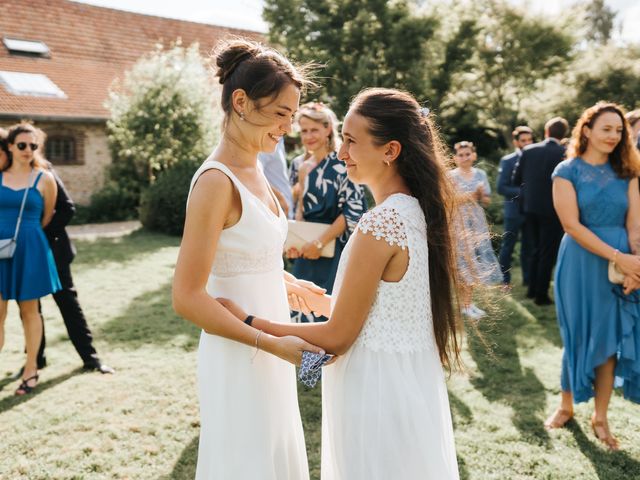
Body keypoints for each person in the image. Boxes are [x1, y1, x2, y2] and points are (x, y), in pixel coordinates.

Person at [220, 88, 462, 479]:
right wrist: (315, 299)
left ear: (390, 150)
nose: (341, 152)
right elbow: (382, 310)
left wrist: (249, 322)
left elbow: (338, 336)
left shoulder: (380, 224)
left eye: (351, 141)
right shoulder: (415, 212)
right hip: (406, 384)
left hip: (375, 392)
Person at [172, 39, 326, 480]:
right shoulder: (215, 182)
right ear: (241, 102)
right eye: (280, 113)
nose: (288, 127)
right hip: (240, 350)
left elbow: (243, 256)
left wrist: (289, 284)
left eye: (292, 116)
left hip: (272, 343)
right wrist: (273, 343)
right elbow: (186, 296)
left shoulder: (255, 167)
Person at [544, 103, 640, 450]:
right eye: (606, 129)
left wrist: (636, 266)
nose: (614, 136)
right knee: (576, 333)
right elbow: (571, 224)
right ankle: (565, 405)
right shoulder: (566, 171)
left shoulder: (628, 173)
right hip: (581, 261)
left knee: (610, 339)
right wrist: (620, 257)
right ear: (586, 130)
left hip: (622, 265)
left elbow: (635, 224)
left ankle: (601, 417)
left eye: (619, 131)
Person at [287, 102, 366, 321]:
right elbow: (299, 210)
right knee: (299, 310)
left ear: (328, 129)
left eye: (314, 129)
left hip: (335, 249)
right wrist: (295, 241)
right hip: (307, 250)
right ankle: (303, 356)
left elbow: (351, 211)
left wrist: (319, 243)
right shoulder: (298, 165)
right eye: (303, 131)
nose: (308, 136)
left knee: (329, 311)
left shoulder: (343, 164)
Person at [0, 122, 60, 395]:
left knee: (29, 311)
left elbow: (48, 215)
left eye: (33, 145)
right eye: (22, 145)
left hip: (30, 248)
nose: (27, 150)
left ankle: (31, 368)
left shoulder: (44, 178)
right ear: (10, 146)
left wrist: (26, 233)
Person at [513, 117, 569, 305]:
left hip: (530, 207)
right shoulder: (565, 152)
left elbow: (516, 179)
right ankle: (541, 295)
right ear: (564, 135)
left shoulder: (528, 151)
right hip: (552, 209)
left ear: (546, 132)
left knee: (535, 249)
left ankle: (531, 289)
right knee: (547, 252)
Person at [449, 141, 502, 319]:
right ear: (455, 158)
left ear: (474, 155)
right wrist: (471, 195)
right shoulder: (451, 176)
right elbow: (450, 201)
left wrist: (480, 195)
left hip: (477, 222)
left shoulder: (481, 174)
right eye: (461, 155)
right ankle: (465, 304)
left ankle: (468, 303)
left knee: (473, 261)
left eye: (467, 154)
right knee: (463, 261)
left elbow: (486, 201)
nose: (464, 157)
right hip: (459, 223)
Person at [497, 126, 534, 288]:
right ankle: (505, 280)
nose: (527, 143)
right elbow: (501, 187)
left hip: (531, 211)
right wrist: (524, 192)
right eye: (523, 140)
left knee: (529, 246)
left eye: (530, 140)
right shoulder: (508, 161)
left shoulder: (535, 159)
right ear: (516, 142)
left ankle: (527, 280)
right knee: (508, 247)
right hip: (513, 211)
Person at [258, 137, 294, 218]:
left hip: (285, 211)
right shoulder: (266, 140)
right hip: (277, 211)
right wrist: (280, 198)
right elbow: (255, 174)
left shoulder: (280, 140)